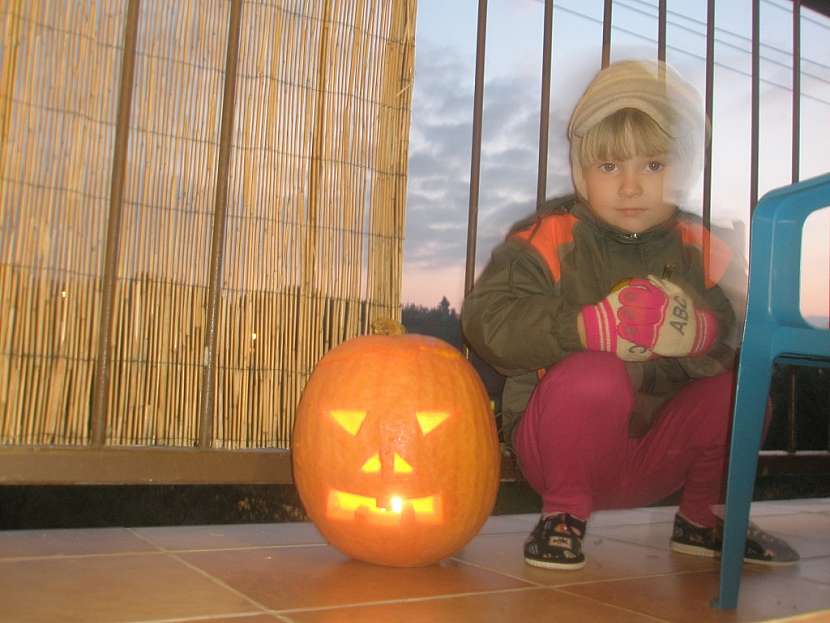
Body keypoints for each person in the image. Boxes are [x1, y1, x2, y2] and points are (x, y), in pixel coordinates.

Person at [461, 59, 799, 570]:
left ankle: (700, 520)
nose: (631, 186)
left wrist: (703, 332)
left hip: (658, 452)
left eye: (653, 166)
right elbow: (487, 320)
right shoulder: (548, 235)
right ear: (581, 173)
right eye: (610, 166)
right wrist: (580, 327)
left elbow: (751, 330)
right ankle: (563, 516)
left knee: (740, 395)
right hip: (557, 448)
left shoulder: (703, 248)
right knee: (596, 370)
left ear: (680, 173)